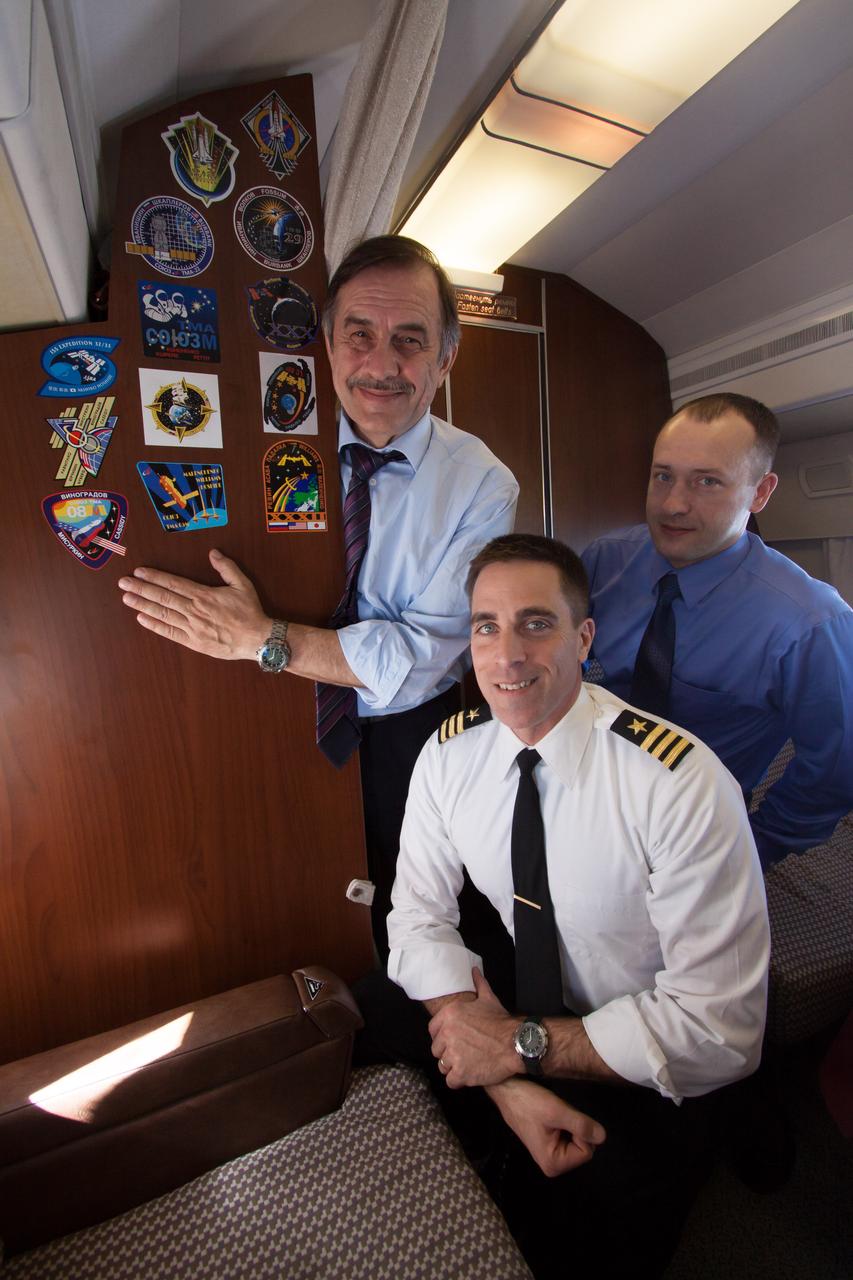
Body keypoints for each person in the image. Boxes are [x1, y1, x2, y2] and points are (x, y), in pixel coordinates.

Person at [360, 533, 769, 1278]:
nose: (506, 655)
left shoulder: (677, 784)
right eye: (486, 625)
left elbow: (722, 1032)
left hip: (645, 1056)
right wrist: (508, 1076)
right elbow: (417, 915)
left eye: (535, 623)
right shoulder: (450, 756)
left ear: (583, 637)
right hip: (524, 1016)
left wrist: (517, 1046)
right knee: (364, 1014)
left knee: (593, 1250)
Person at [118, 236, 518, 951]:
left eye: (410, 340)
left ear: (445, 358)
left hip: (407, 735)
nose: (381, 365)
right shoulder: (255, 447)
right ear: (327, 345)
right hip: (265, 712)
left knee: (418, 908)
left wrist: (262, 639)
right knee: (279, 893)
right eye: (358, 335)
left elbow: (420, 658)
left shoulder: (483, 484)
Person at [581, 392, 853, 870]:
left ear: (760, 492)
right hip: (579, 792)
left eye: (707, 482)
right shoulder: (605, 560)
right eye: (663, 476)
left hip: (695, 829)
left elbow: (836, 767)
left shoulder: (810, 622)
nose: (673, 504)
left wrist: (754, 848)